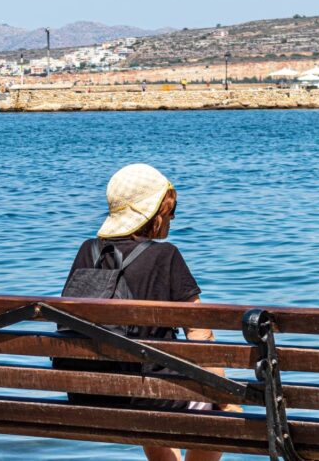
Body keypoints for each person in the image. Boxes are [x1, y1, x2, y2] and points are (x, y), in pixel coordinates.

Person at [61, 164, 240, 461]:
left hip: (88, 393)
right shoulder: (165, 255)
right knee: (224, 418)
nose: (172, 217)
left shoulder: (87, 252)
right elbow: (201, 335)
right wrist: (225, 398)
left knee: (149, 391)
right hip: (147, 395)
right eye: (170, 209)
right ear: (154, 213)